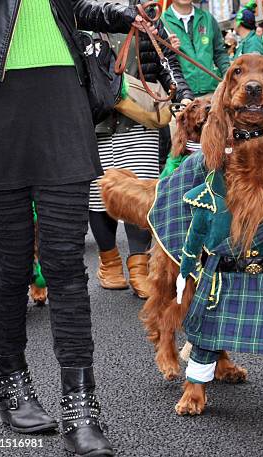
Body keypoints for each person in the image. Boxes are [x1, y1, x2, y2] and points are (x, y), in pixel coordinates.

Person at [0, 1, 150, 455]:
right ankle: (12, 383)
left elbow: (75, 6)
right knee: (12, 261)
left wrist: (120, 14)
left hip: (62, 97)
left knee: (65, 266)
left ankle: (81, 405)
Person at [89, 0, 194, 299]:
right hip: (93, 121)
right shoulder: (80, 13)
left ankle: (139, 264)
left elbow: (166, 63)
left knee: (142, 191)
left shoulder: (146, 14)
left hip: (139, 116)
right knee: (98, 197)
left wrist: (182, 96)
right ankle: (109, 260)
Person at [163, 0, 230, 98]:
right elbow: (155, 62)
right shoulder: (161, 21)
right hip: (180, 96)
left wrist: (227, 76)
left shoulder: (208, 18)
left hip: (212, 92)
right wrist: (167, 50)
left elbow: (220, 53)